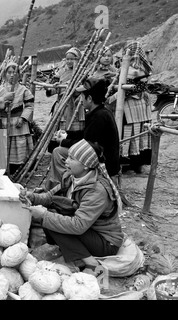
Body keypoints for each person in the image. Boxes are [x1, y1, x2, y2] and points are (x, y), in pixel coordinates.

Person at [20, 139, 124, 273]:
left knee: (51, 219)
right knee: (53, 216)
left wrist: (44, 215)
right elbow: (51, 197)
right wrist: (32, 197)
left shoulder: (97, 190)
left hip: (105, 242)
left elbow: (78, 225)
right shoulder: (71, 177)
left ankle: (91, 264)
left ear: (86, 165)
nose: (66, 161)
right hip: (88, 231)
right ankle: (76, 253)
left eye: (72, 158)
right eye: (68, 156)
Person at [45, 77, 120, 190]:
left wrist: (63, 141)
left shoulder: (99, 117)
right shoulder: (99, 112)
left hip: (103, 162)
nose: (81, 99)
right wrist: (67, 134)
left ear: (89, 98)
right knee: (59, 149)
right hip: (97, 154)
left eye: (82, 96)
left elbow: (87, 144)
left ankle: (64, 186)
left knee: (58, 152)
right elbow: (85, 134)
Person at [107, 41, 153, 174]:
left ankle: (135, 163)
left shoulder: (140, 69)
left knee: (133, 132)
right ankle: (130, 163)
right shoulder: (125, 67)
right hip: (129, 104)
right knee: (129, 132)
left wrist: (117, 95)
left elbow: (139, 88)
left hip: (134, 104)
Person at [0, 62, 35, 174]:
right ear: (5, 74)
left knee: (19, 147)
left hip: (18, 123)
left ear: (19, 74)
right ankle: (3, 170)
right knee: (4, 146)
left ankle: (18, 169)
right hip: (3, 123)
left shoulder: (24, 90)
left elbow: (29, 106)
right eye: (9, 72)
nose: (12, 75)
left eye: (15, 72)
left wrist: (22, 118)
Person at [46, 47, 85, 152]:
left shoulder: (82, 73)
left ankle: (74, 149)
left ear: (78, 60)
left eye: (72, 59)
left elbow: (83, 89)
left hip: (76, 106)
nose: (69, 61)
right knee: (61, 129)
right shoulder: (61, 72)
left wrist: (72, 87)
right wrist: (52, 88)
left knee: (74, 130)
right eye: (67, 59)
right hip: (62, 106)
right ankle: (59, 149)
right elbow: (53, 90)